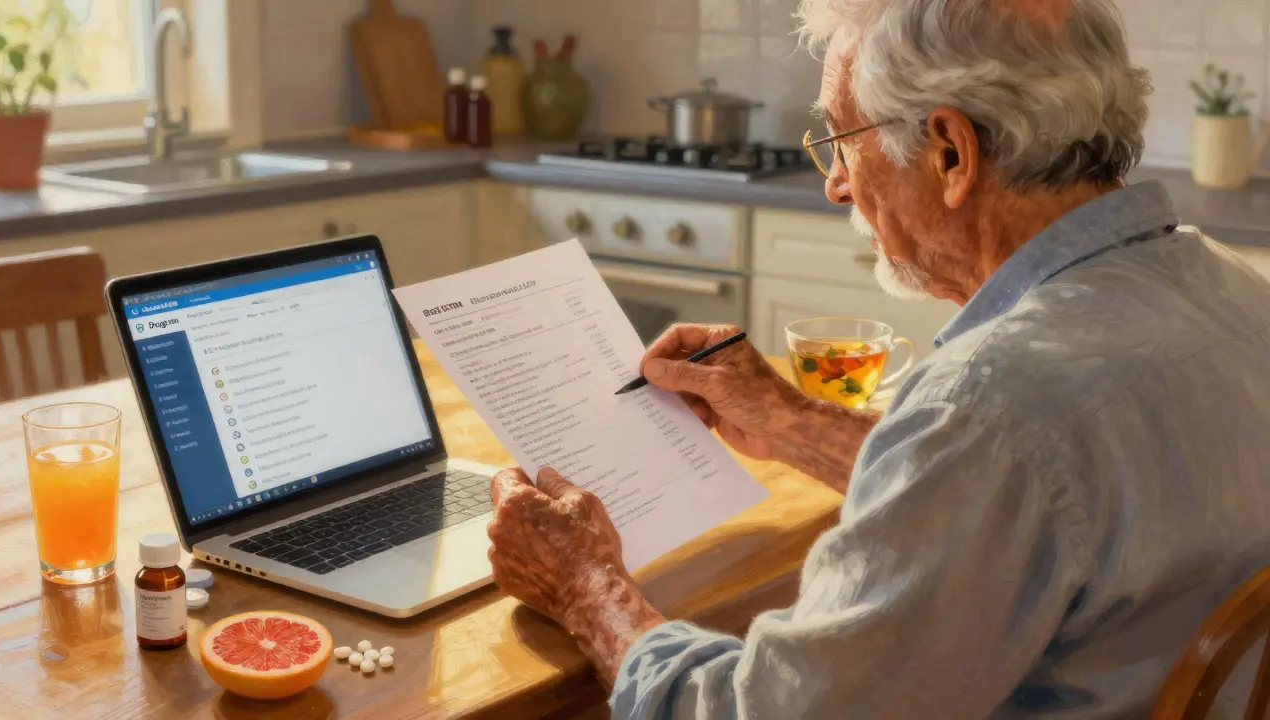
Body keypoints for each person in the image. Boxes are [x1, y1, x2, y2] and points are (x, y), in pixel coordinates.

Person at [485, 0, 1270, 716]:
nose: (833, 185)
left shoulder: (989, 406)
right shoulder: (1234, 291)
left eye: (841, 139)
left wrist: (590, 590)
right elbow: (1035, 501)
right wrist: (798, 422)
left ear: (951, 153)